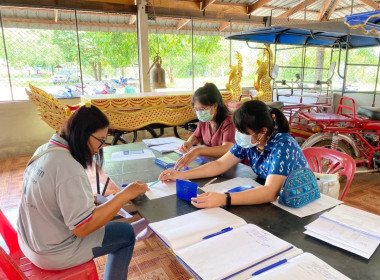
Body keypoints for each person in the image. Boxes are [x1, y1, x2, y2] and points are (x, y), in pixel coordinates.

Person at [17, 105, 148, 280]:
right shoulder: (68, 167)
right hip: (52, 253)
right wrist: (123, 195)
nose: (100, 147)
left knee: (107, 210)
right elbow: (82, 227)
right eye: (100, 140)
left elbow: (52, 196)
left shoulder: (45, 150)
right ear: (83, 134)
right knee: (126, 233)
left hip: (30, 241)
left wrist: (91, 200)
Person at [159, 100, 307, 208]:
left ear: (263, 131)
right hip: (271, 196)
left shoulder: (283, 145)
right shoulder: (250, 141)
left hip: (297, 200)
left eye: (244, 132)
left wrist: (224, 199)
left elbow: (269, 192)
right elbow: (220, 164)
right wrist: (180, 175)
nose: (239, 136)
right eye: (239, 130)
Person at [175, 82, 235, 170]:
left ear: (215, 105)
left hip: (227, 166)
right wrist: (189, 143)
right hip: (210, 164)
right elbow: (196, 136)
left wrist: (198, 150)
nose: (199, 113)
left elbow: (227, 148)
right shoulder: (205, 120)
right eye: (196, 110)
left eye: (202, 109)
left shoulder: (228, 122)